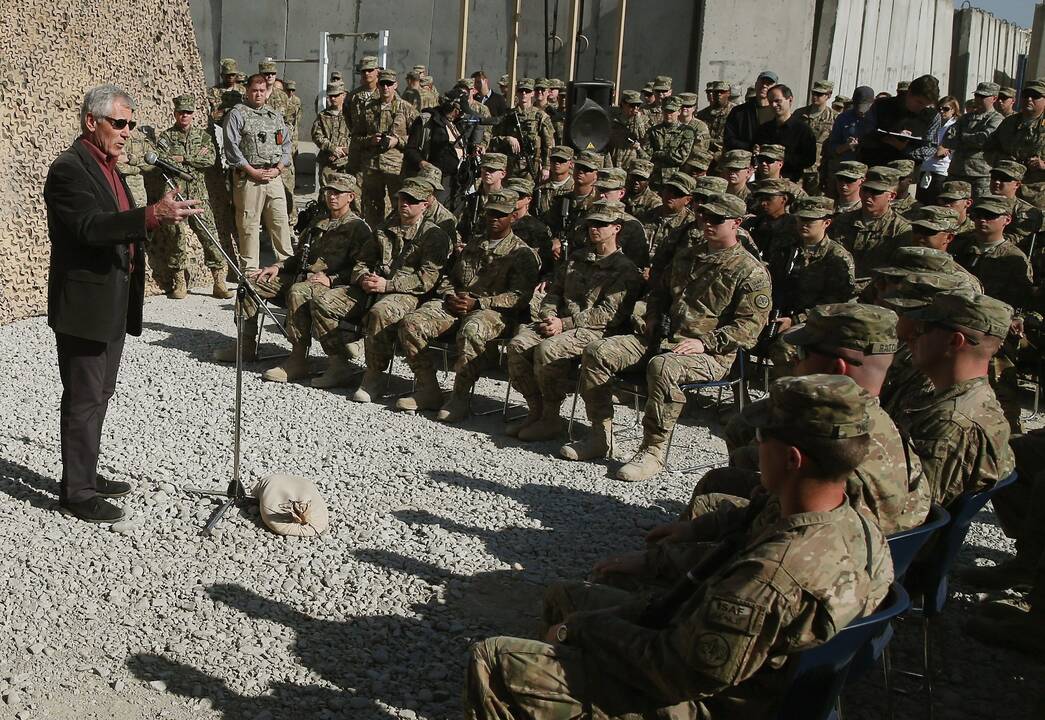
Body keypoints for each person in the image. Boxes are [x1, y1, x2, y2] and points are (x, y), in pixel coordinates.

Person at [465, 374, 892, 720]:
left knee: (494, 659)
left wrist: (582, 629)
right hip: (734, 670)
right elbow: (742, 527)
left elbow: (675, 673)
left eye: (762, 436)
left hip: (707, 702)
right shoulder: (853, 520)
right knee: (566, 597)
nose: (753, 445)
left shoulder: (772, 575)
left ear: (793, 459)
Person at [45, 84, 202, 523]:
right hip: (85, 304)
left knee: (101, 393)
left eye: (131, 123)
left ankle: (86, 474)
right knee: (83, 396)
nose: (128, 131)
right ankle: (76, 492)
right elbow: (91, 228)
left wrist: (152, 216)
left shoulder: (112, 167)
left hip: (112, 303)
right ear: (91, 121)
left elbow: (119, 224)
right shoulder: (69, 170)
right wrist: (152, 215)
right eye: (120, 122)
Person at [562, 193, 770, 482]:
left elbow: (749, 328)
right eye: (703, 216)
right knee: (598, 352)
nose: (706, 223)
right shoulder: (688, 255)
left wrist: (706, 342)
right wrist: (650, 314)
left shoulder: (750, 271)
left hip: (710, 354)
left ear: (736, 223)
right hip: (661, 338)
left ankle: (652, 451)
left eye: (716, 220)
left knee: (664, 367)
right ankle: (600, 435)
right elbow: (659, 292)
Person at [395, 189, 540, 421]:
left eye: (500, 215)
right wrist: (450, 296)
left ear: (513, 217)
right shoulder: (475, 243)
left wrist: (479, 303)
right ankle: (428, 388)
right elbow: (449, 278)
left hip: (495, 313)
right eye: (490, 213)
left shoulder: (522, 253)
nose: (494, 218)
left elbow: (519, 296)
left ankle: (459, 396)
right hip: (458, 304)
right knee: (412, 323)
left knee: (472, 330)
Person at [212, 173, 372, 380]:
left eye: (338, 193)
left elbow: (362, 267)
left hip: (330, 285)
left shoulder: (358, 228)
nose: (332, 196)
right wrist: (278, 267)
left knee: (298, 292)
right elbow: (299, 256)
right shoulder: (319, 221)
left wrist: (331, 279)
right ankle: (246, 345)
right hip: (303, 277)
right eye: (329, 192)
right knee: (250, 283)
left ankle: (298, 359)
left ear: (350, 197)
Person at [505, 202, 642, 442]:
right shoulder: (576, 259)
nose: (594, 229)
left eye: (602, 224)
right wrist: (548, 315)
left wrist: (564, 324)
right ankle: (535, 410)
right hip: (559, 322)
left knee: (549, 350)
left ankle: (551, 416)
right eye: (591, 224)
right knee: (518, 345)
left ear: (616, 228)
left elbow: (609, 314)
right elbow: (554, 292)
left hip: (596, 330)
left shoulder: (624, 268)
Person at [899, 290, 1015, 506]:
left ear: (954, 340)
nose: (911, 335)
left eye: (924, 328)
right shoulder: (978, 399)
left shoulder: (950, 424)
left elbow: (916, 511)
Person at [350, 179, 453, 403]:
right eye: (402, 199)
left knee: (381, 312)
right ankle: (337, 361)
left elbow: (427, 280)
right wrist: (363, 278)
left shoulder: (434, 235)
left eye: (412, 201)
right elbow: (362, 261)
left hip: (411, 294)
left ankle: (374, 375)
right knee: (322, 299)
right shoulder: (386, 228)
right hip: (374, 286)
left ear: (425, 205)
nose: (404, 204)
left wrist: (387, 285)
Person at [153, 94, 230, 300]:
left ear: (193, 114)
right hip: (175, 193)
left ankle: (219, 280)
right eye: (181, 112)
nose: (184, 116)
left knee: (209, 236)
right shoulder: (166, 137)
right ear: (175, 113)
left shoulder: (203, 136)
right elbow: (163, 160)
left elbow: (209, 159)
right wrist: (186, 161)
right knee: (176, 237)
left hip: (198, 194)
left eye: (188, 112)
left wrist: (184, 158)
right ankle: (180, 281)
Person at [223, 73, 295, 271]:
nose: (258, 94)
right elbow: (231, 147)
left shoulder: (275, 116)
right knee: (249, 225)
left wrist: (279, 168)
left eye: (262, 91)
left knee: (280, 222)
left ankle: (287, 267)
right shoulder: (237, 114)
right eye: (254, 90)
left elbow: (287, 144)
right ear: (247, 91)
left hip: (273, 177)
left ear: (267, 92)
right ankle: (250, 271)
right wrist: (251, 171)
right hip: (249, 179)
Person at [353, 69, 418, 230]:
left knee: (399, 205)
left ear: (395, 85)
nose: (385, 87)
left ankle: (396, 236)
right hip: (372, 166)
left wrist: (397, 141)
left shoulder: (405, 108)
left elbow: (418, 137)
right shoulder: (368, 107)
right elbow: (355, 136)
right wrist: (370, 140)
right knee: (372, 205)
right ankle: (374, 238)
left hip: (395, 167)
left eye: (389, 84)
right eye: (382, 83)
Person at [830, 165, 912, 278]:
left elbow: (899, 271)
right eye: (865, 189)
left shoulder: (900, 229)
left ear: (891, 196)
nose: (867, 195)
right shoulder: (842, 220)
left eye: (875, 192)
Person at [985, 77, 1045, 208]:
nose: (1029, 99)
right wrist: (1002, 161)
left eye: (1035, 96)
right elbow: (989, 149)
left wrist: (1043, 165)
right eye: (1026, 95)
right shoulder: (1009, 123)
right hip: (1006, 188)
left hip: (1037, 195)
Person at [859, 74, 940, 168]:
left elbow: (930, 148)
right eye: (919, 102)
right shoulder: (881, 105)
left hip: (907, 175)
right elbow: (863, 134)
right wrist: (887, 137)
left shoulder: (933, 116)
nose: (921, 107)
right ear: (909, 93)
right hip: (874, 168)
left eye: (927, 105)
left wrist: (904, 148)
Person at [942, 82, 1003, 198]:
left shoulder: (996, 119)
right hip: (957, 171)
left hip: (980, 174)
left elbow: (984, 139)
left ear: (994, 98)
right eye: (977, 96)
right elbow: (948, 139)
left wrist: (963, 137)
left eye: (983, 97)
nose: (978, 99)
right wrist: (970, 138)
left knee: (978, 209)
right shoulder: (965, 118)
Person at [492, 78, 555, 181]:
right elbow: (494, 140)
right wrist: (508, 139)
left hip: (532, 165)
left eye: (527, 91)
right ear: (517, 93)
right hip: (511, 165)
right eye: (521, 91)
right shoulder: (509, 115)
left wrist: (546, 167)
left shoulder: (540, 116)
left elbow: (548, 145)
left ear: (532, 93)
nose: (524, 94)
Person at [753, 84, 817, 182]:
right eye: (771, 102)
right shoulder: (764, 129)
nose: (774, 105)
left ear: (790, 100)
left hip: (791, 182)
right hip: (764, 181)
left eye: (778, 101)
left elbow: (809, 160)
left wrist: (782, 158)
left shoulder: (803, 130)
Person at [794, 79, 838, 194]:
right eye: (814, 93)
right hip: (798, 166)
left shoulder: (834, 118)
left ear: (828, 95)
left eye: (819, 94)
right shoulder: (799, 114)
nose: (815, 97)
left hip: (819, 170)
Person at [916, 95, 960, 204]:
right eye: (939, 108)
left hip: (941, 170)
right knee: (921, 202)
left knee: (936, 203)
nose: (942, 111)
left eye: (946, 109)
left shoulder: (956, 125)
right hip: (926, 167)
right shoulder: (934, 123)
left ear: (954, 110)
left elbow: (944, 150)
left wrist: (941, 149)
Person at [505, 177, 554, 271]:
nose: (515, 198)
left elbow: (543, 262)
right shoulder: (499, 220)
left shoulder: (537, 228)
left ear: (528, 199)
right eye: (511, 194)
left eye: (520, 195)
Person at [723, 69, 777, 151]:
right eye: (762, 82)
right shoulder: (739, 112)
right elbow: (729, 139)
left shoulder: (778, 112)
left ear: (775, 88)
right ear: (756, 85)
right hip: (743, 159)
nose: (764, 86)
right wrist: (750, 147)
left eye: (769, 83)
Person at [311, 81, 351, 181]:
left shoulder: (351, 115)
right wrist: (332, 148)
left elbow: (357, 134)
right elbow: (317, 135)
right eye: (330, 96)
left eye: (336, 95)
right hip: (328, 161)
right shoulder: (323, 116)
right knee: (327, 192)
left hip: (348, 161)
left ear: (343, 95)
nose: (333, 98)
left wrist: (344, 150)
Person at [608, 89, 649, 169]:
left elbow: (643, 138)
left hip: (632, 166)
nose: (636, 108)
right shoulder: (613, 120)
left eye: (638, 105)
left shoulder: (644, 120)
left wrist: (638, 119)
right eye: (632, 105)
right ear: (623, 104)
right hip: (613, 164)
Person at [696, 80, 734, 153]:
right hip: (705, 153)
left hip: (726, 153)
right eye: (716, 92)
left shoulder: (736, 112)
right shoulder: (702, 114)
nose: (719, 94)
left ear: (728, 93)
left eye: (722, 92)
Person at [208, 58, 245, 125]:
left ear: (236, 75)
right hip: (219, 125)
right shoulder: (213, 91)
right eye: (228, 75)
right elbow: (211, 114)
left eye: (232, 75)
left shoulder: (242, 91)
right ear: (222, 75)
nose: (230, 77)